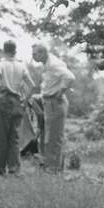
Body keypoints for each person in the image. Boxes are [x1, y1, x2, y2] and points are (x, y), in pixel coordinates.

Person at [0, 40, 35, 175]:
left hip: (4, 100)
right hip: (17, 102)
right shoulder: (21, 67)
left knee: (1, 136)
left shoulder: (0, 65)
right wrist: (25, 101)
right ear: (15, 51)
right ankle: (14, 169)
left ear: (4, 51)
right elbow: (32, 86)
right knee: (14, 137)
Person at [32, 43, 75, 172]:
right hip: (48, 101)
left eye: (35, 54)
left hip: (55, 102)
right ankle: (48, 164)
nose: (33, 57)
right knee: (48, 136)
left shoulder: (53, 64)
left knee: (54, 137)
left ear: (43, 53)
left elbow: (70, 77)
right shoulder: (47, 63)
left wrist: (60, 92)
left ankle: (54, 168)